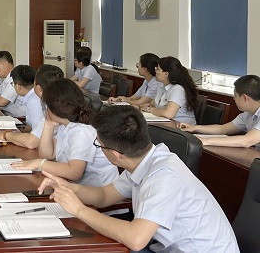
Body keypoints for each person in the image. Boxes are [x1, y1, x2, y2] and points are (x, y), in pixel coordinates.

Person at [38, 105, 239, 252]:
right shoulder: (142, 160)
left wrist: (79, 210)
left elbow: (136, 239)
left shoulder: (163, 176)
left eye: (99, 145)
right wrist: (69, 188)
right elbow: (105, 195)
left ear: (116, 154)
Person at [12, 79, 118, 187]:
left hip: (98, 192)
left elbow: (74, 172)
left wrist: (39, 164)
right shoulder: (64, 125)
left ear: (54, 107)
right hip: (76, 188)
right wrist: (48, 124)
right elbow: (47, 154)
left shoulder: (81, 131)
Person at [0, 64, 63, 148]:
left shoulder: (43, 106)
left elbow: (32, 141)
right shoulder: (57, 104)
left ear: (38, 88)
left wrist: (6, 135)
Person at [181, 74, 260, 148]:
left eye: (235, 95)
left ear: (244, 98)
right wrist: (195, 128)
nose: (234, 99)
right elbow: (223, 129)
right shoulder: (247, 115)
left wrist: (206, 141)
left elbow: (247, 141)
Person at [141, 56, 198, 124]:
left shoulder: (178, 89)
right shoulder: (161, 86)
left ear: (166, 74)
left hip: (182, 127)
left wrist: (149, 109)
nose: (155, 71)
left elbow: (168, 114)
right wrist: (144, 107)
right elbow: (151, 104)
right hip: (167, 124)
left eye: (158, 69)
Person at [10, 65, 40, 129]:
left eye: (12, 84)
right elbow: (31, 125)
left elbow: (37, 131)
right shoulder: (33, 96)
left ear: (18, 86)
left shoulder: (34, 101)